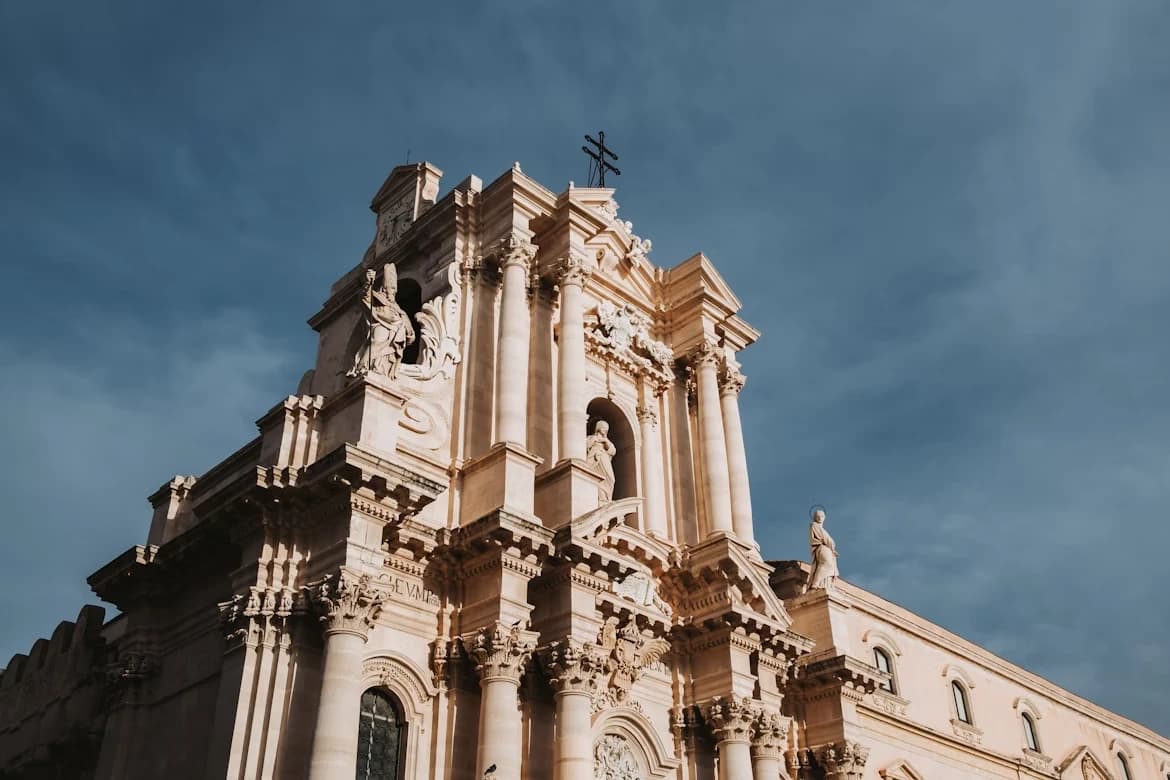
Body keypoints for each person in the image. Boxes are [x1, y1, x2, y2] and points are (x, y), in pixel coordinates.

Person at [348, 264, 415, 380]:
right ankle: (363, 368)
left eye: (395, 290)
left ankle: (382, 370)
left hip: (395, 334)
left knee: (387, 356)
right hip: (380, 327)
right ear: (384, 288)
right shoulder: (378, 298)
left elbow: (410, 332)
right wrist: (368, 283)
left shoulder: (399, 309)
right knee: (375, 345)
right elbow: (365, 297)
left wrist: (407, 332)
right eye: (391, 289)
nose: (393, 292)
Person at [806, 506, 839, 592]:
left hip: (827, 549)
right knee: (826, 564)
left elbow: (829, 540)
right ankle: (815, 584)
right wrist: (832, 545)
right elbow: (828, 540)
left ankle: (823, 584)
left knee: (829, 566)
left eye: (822, 516)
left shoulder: (821, 528)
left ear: (824, 518)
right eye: (818, 516)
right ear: (814, 517)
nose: (820, 517)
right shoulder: (814, 525)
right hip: (822, 548)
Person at [585, 420, 617, 502]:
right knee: (597, 478)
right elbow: (586, 445)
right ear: (598, 428)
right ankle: (601, 498)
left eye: (606, 428)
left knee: (610, 478)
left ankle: (607, 497)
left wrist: (605, 441)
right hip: (594, 459)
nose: (605, 430)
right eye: (603, 427)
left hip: (604, 458)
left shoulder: (606, 440)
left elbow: (613, 451)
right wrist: (596, 439)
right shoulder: (591, 437)